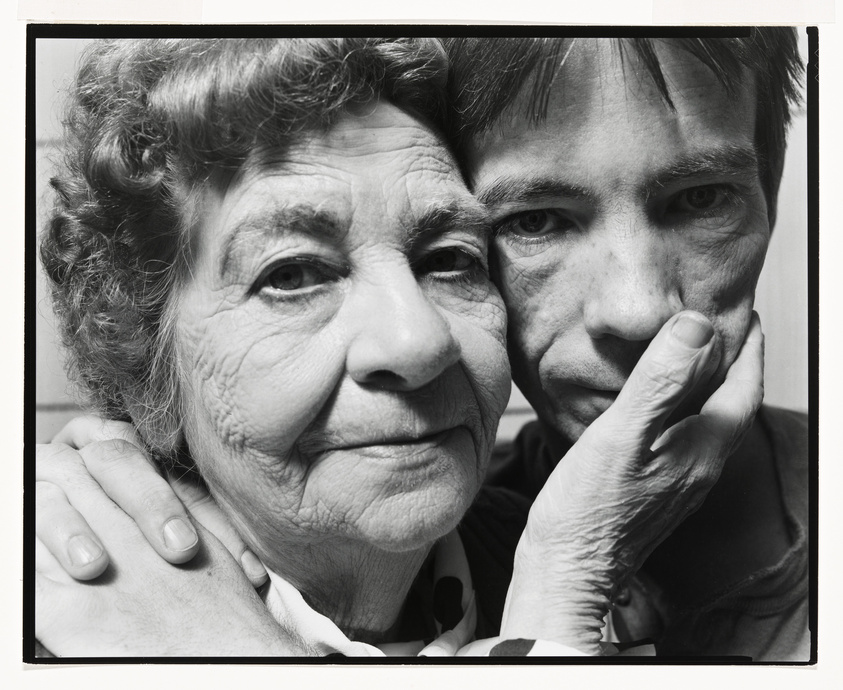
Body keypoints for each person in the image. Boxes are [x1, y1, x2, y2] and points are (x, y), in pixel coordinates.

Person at [34, 36, 767, 658]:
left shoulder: (590, 559)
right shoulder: (51, 619)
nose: (418, 341)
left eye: (449, 258)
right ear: (141, 365)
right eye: (292, 275)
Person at [444, 32, 809, 660]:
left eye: (701, 200)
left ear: (768, 201)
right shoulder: (421, 558)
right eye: (535, 220)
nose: (638, 312)